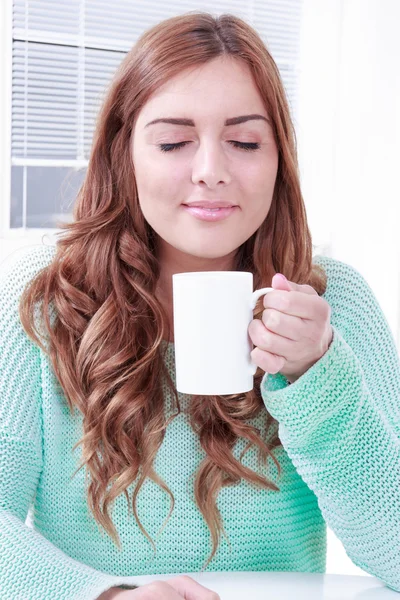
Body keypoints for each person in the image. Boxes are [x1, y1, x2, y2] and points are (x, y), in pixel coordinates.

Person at [0, 11, 399, 600]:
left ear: (277, 159)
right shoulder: (46, 298)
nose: (211, 171)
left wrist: (317, 375)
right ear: (124, 156)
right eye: (172, 142)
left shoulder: (335, 305)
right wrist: (103, 596)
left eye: (243, 141)